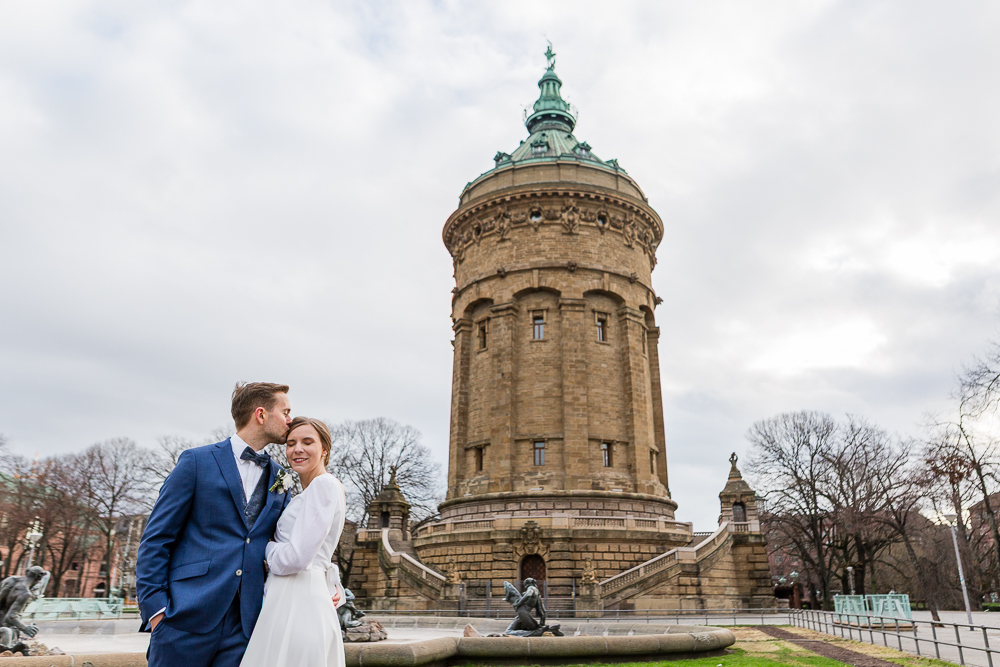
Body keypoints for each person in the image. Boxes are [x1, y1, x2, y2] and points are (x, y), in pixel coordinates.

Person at [136, 382, 293, 667]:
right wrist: (156, 610)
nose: (290, 420)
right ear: (261, 414)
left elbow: (288, 543)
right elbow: (157, 539)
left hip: (246, 625)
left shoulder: (281, 478)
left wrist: (327, 578)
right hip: (184, 618)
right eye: (285, 412)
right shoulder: (196, 462)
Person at [240, 416, 347, 667]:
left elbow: (297, 558)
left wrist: (262, 546)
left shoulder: (323, 485)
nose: (297, 449)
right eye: (291, 443)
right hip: (294, 595)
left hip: (298, 601)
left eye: (307, 442)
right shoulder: (311, 490)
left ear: (324, 450)